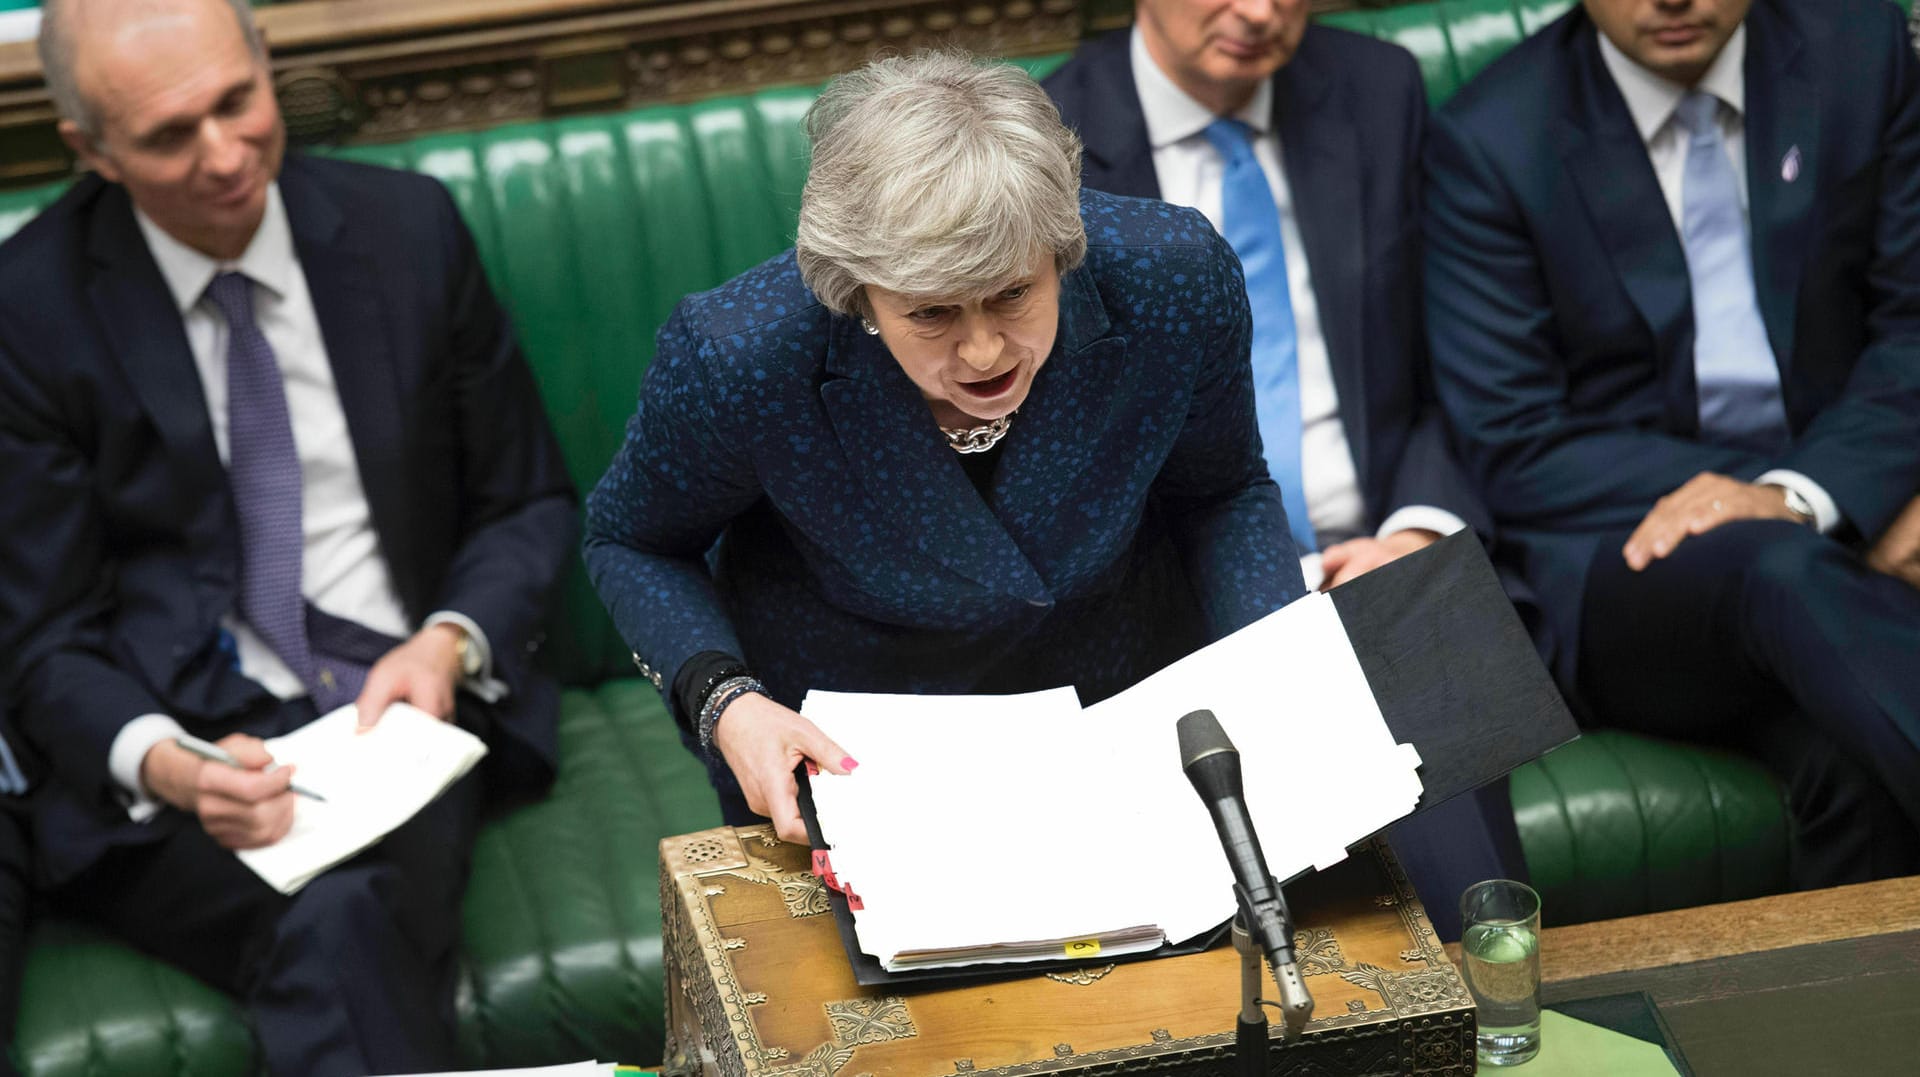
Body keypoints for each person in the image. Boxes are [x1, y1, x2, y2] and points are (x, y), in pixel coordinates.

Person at [0, 0, 577, 1071]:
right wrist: (164, 761)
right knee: (344, 921)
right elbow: (41, 641)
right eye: (172, 135)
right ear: (92, 151)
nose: (225, 156)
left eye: (239, 102)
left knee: (347, 916)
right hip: (175, 742)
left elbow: (526, 502)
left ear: (268, 65)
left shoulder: (409, 232)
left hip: (393, 709)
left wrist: (446, 643)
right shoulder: (27, 312)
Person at [586, 51, 1305, 846]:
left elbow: (1222, 492)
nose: (984, 352)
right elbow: (632, 542)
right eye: (931, 315)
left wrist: (1276, 678)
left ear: (1060, 251)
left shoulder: (1173, 278)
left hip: (1123, 716)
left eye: (1013, 295)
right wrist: (727, 701)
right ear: (858, 292)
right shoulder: (742, 356)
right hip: (862, 760)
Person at [1040, 0, 1529, 937]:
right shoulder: (1046, 138)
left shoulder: (1376, 92)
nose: (1261, 13)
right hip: (1187, 588)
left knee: (1420, 645)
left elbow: (1455, 364)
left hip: (1382, 548)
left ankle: (1494, 1019)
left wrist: (1419, 532)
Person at [1425, 0, 1920, 887]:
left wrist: (1815, 490)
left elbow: (1913, 323)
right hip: (1629, 563)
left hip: (1840, 499)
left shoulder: (1863, 49)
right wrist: (1796, 504)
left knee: (1853, 775)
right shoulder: (1493, 136)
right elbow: (1515, 438)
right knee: (1780, 568)